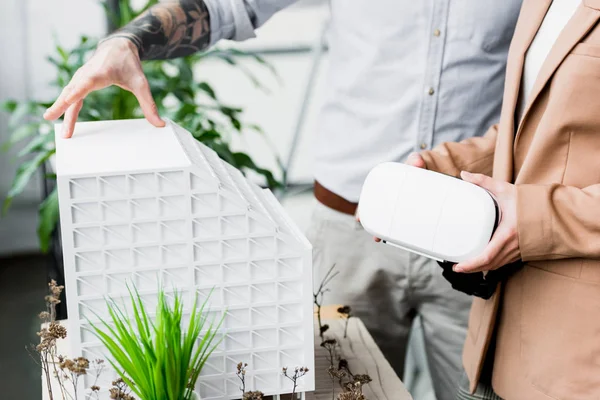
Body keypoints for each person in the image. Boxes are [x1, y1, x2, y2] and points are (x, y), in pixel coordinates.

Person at [43, 1, 522, 398]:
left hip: (475, 239)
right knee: (336, 390)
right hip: (346, 235)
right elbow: (228, 6)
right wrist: (128, 40)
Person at [406, 0, 600, 398]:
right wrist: (442, 167)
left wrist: (534, 220)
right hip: (493, 339)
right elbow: (529, 130)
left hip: (576, 358)